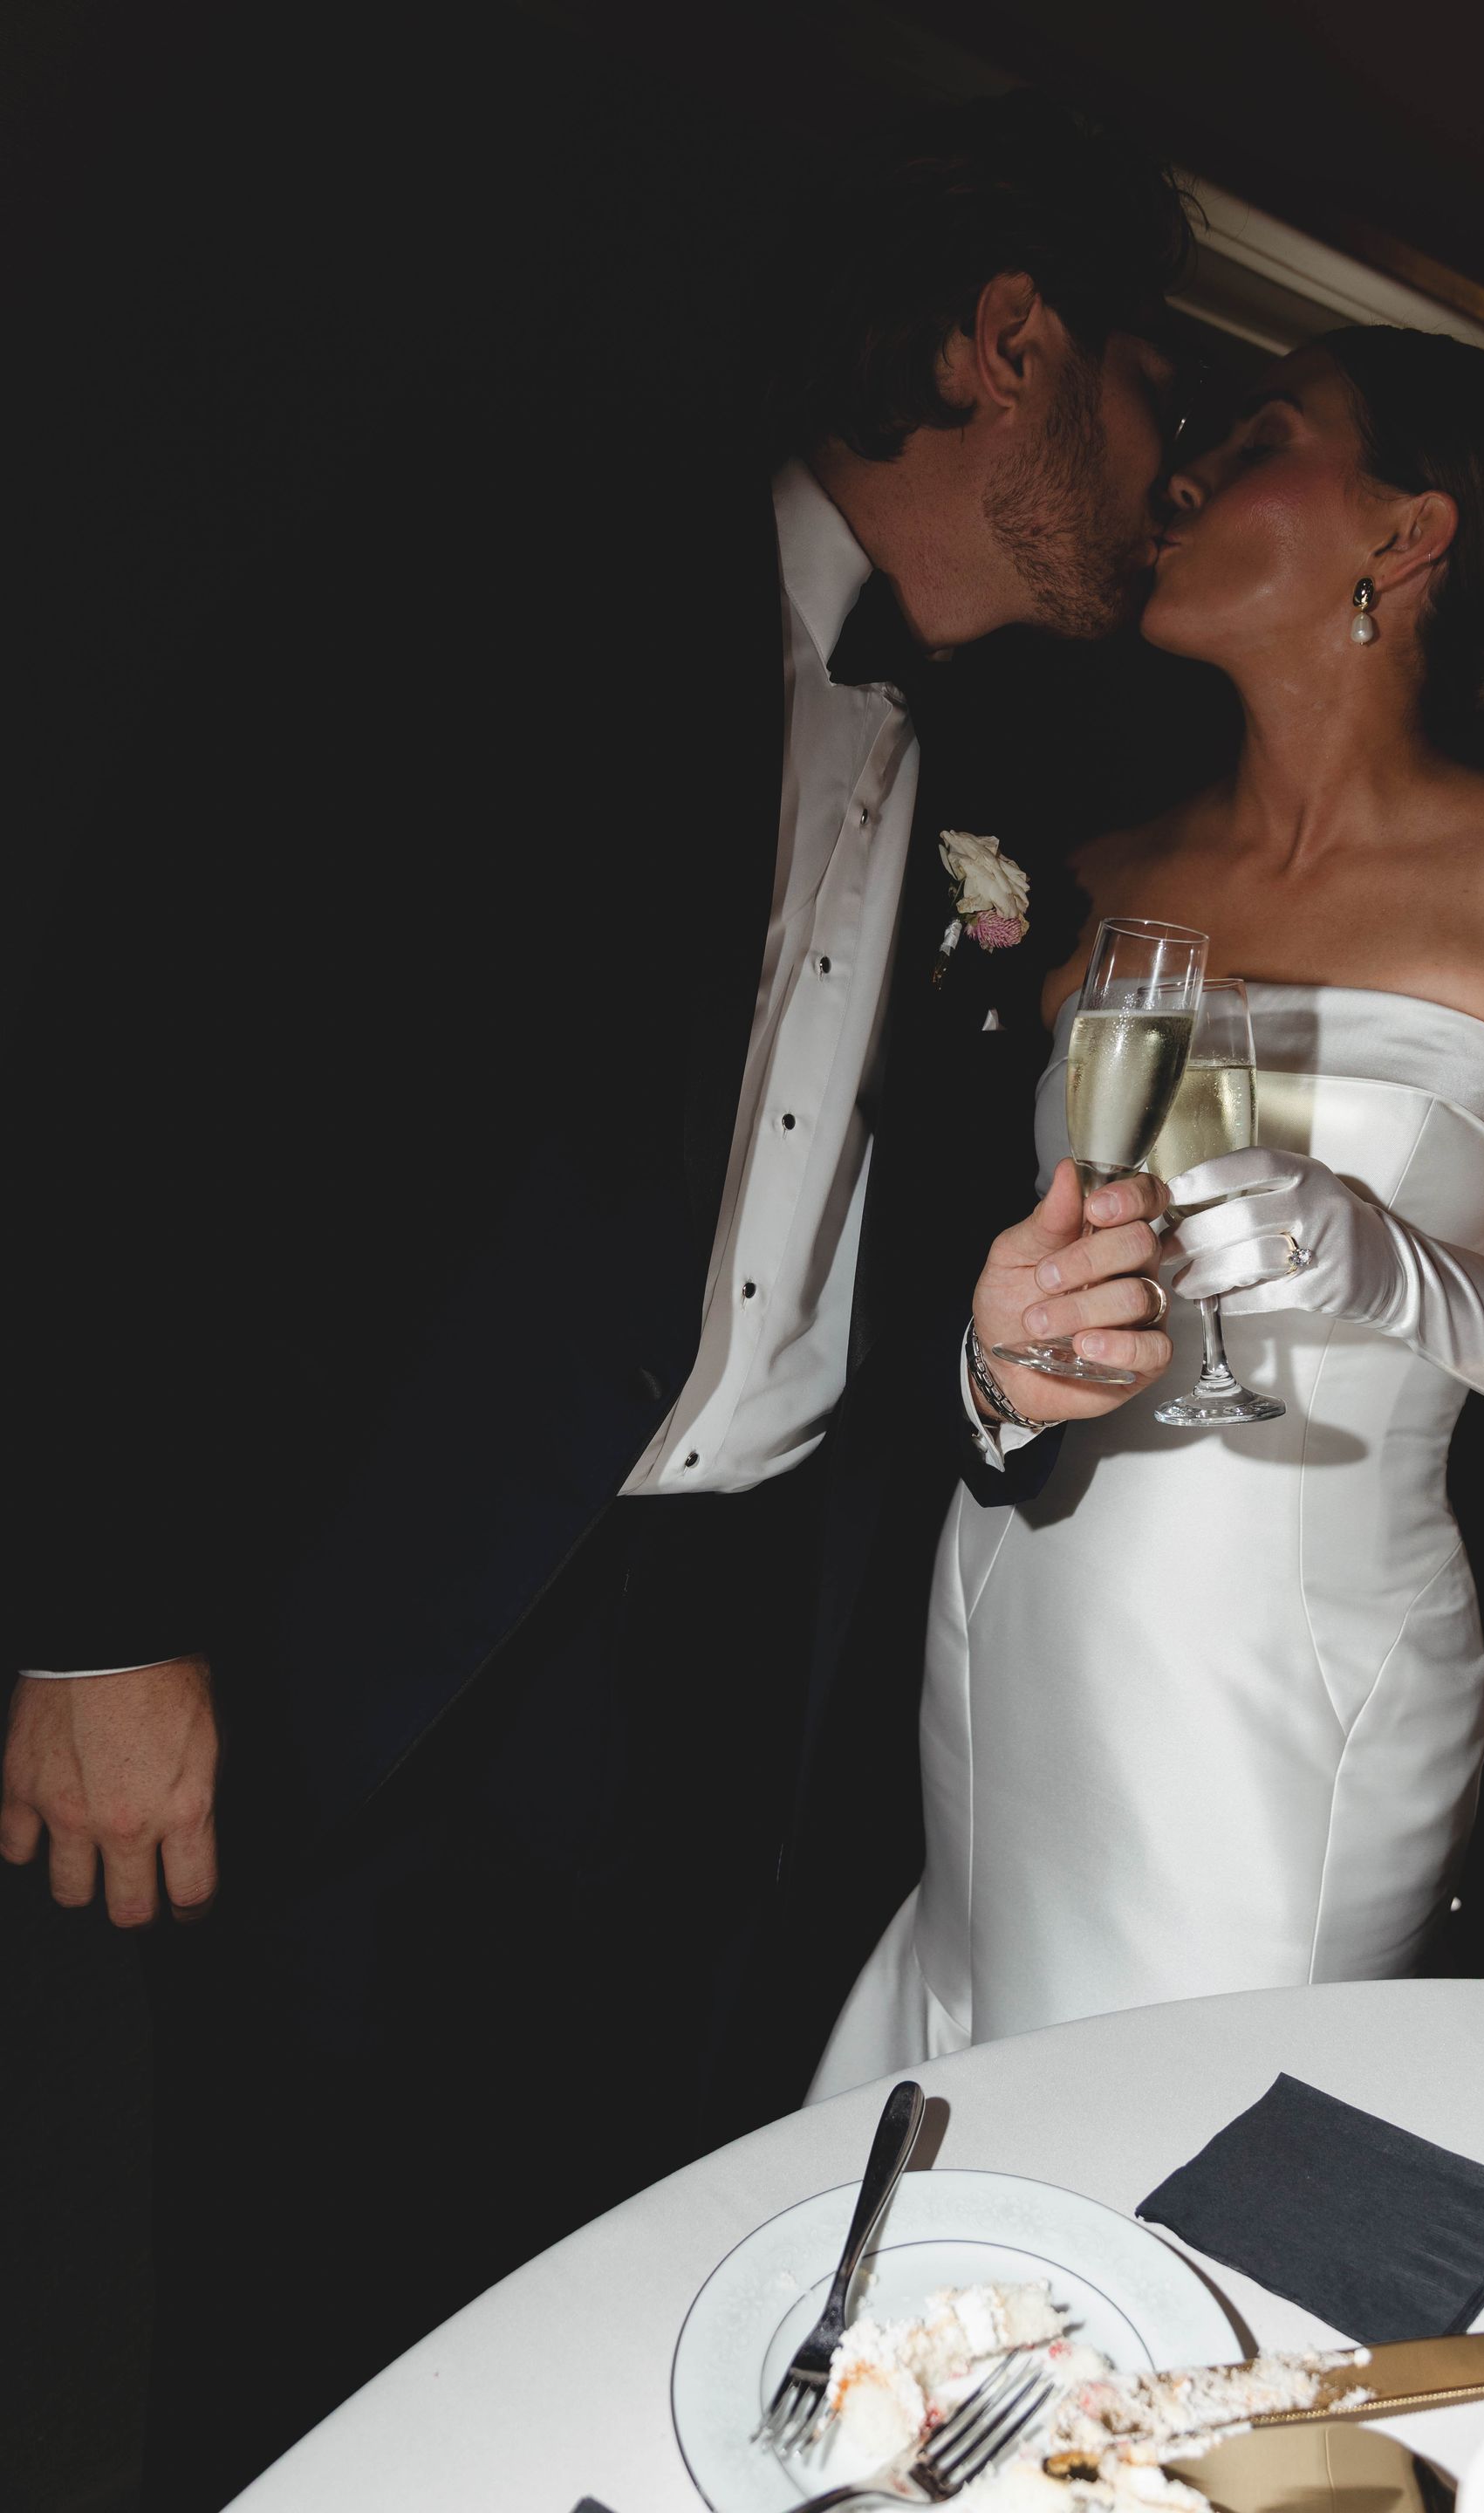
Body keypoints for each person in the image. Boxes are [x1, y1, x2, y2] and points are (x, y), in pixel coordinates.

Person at [1, 84, 1190, 2509]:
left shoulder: (994, 770)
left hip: (722, 1672)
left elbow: (911, 1244)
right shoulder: (510, 548)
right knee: (285, 2315)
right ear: (1012, 341)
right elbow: (144, 1030)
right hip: (375, 1621)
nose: (1172, 464)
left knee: (595, 2287)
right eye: (1157, 383)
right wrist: (90, 1607)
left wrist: (996, 1365)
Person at [812, 325, 1484, 2097]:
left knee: (1182, 2181)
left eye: (1266, 435)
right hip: (1007, 1629)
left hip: (1279, 1712)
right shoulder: (1090, 869)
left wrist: (1409, 1281)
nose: (1187, 471)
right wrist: (998, 1346)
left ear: (1406, 535)